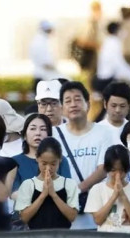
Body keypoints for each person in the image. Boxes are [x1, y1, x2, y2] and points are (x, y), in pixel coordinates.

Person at [53, 81, 116, 229]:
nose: (73, 104)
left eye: (77, 99)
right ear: (62, 108)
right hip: (66, 212)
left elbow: (104, 168)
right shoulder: (55, 135)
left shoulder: (103, 132)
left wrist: (78, 189)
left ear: (88, 103)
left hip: (99, 211)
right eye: (68, 101)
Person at [15, 137, 79, 229]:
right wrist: (43, 194)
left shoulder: (69, 184)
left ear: (60, 160)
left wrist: (53, 194)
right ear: (37, 158)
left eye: (53, 164)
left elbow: (72, 216)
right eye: (44, 164)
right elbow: (24, 218)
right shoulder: (28, 184)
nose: (48, 168)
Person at [85, 145, 130, 233]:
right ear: (107, 169)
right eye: (113, 170)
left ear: (127, 169)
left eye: (122, 170)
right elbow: (98, 220)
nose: (118, 175)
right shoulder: (97, 189)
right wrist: (114, 196)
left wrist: (123, 195)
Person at [11, 114, 71, 199]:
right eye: (32, 129)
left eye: (43, 129)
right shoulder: (14, 162)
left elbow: (68, 190)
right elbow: (13, 193)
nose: (38, 133)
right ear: (24, 135)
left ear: (49, 134)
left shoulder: (60, 160)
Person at [93, 22, 130, 93]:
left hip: (105, 80)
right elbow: (119, 64)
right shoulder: (113, 43)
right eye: (122, 29)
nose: (124, 32)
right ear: (117, 31)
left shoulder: (109, 41)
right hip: (107, 81)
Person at [30, 20, 61, 91]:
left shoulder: (40, 40)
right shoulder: (41, 42)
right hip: (43, 78)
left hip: (41, 77)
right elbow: (46, 63)